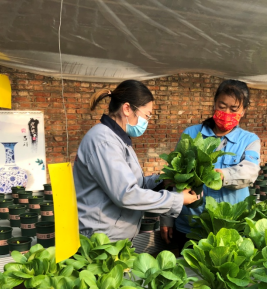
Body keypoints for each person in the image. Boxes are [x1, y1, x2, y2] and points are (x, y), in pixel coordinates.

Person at [73, 80, 199, 242]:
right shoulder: (104, 141)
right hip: (101, 240)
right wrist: (177, 199)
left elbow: (134, 183)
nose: (147, 121)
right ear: (127, 109)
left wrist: (162, 181)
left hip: (113, 236)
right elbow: (126, 194)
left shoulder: (119, 139)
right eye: (146, 115)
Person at [160, 79, 260, 248]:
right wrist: (167, 218)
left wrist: (222, 175)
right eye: (222, 106)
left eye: (234, 109)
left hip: (228, 227)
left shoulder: (249, 140)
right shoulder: (191, 134)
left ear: (243, 111)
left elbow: (250, 172)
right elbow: (173, 176)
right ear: (214, 104)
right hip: (190, 225)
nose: (226, 112)